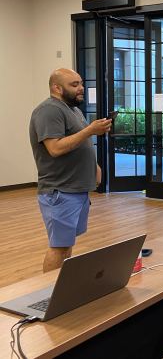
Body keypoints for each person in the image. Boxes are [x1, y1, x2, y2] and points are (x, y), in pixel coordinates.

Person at [29, 68, 112, 272]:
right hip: (59, 190)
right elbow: (55, 148)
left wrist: (95, 167)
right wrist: (90, 130)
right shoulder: (49, 110)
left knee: (66, 244)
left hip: (75, 190)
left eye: (80, 83)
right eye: (74, 85)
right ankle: (48, 294)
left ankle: (60, 291)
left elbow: (80, 143)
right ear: (56, 88)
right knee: (59, 246)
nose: (81, 88)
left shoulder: (73, 109)